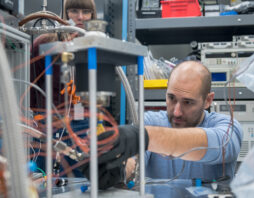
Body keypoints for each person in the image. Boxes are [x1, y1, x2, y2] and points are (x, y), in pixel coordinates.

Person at [80, 60, 243, 189]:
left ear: (208, 100)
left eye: (187, 102)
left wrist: (145, 137)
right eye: (171, 98)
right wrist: (119, 170)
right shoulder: (151, 121)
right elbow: (134, 161)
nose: (177, 112)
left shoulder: (228, 127)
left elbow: (218, 144)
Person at [30, 0, 97, 176]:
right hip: (48, 124)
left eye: (86, 12)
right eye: (74, 11)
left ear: (92, 15)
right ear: (65, 14)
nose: (80, 17)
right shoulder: (43, 44)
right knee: (43, 181)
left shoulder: (95, 46)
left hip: (82, 124)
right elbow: (31, 87)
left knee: (81, 181)